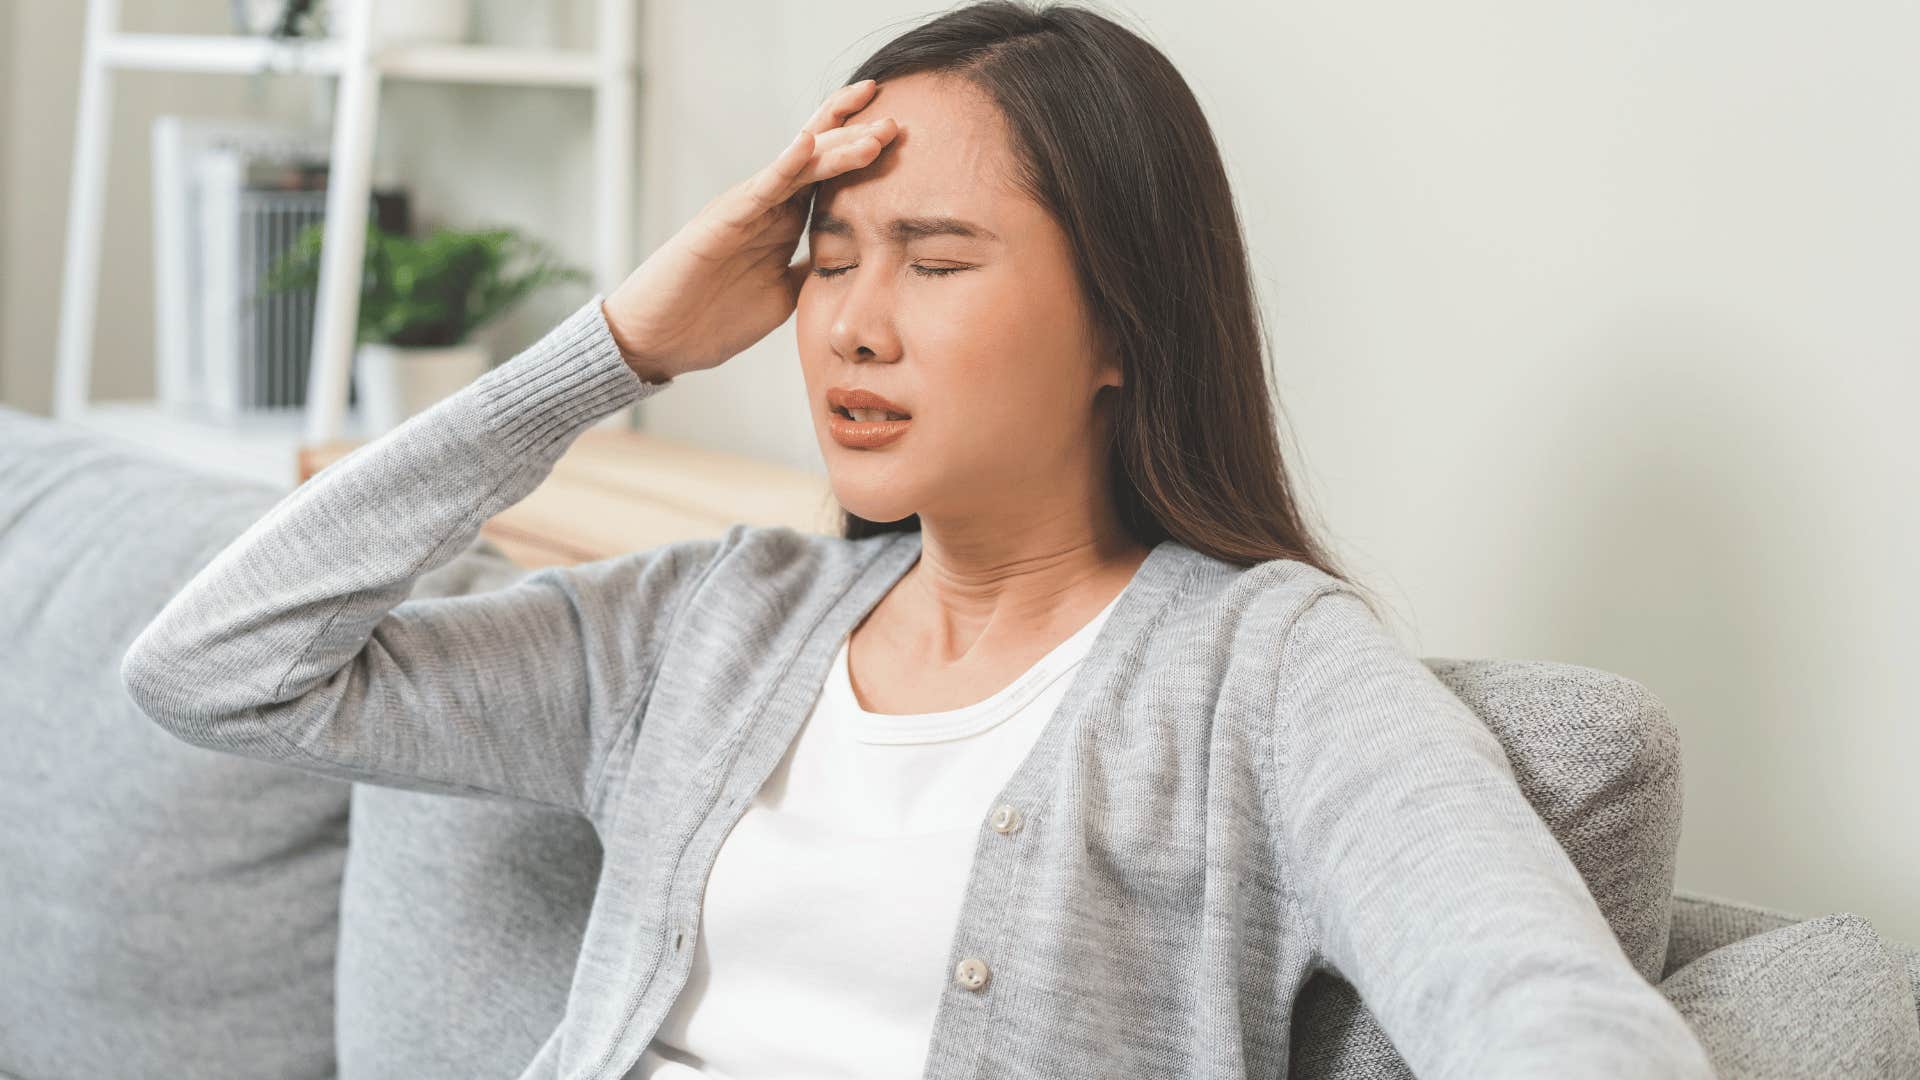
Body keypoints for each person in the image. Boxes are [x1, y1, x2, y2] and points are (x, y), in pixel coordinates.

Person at [122, 2, 1717, 1077]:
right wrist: (617, 346)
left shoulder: (1270, 677)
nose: (851, 328)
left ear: (1123, 320)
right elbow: (218, 671)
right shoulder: (711, 622)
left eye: (936, 262)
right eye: (826, 263)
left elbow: (1553, 1019)